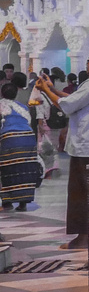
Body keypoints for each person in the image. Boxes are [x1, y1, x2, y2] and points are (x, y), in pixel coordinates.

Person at [32, 48, 89, 250]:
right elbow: (76, 100)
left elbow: (65, 106)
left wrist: (45, 90)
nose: (86, 64)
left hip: (87, 147)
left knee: (82, 192)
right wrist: (52, 89)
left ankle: (83, 237)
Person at [0, 82, 41, 210]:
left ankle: (7, 202)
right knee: (25, 170)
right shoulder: (22, 107)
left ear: (1, 93)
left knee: (7, 170)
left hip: (9, 139)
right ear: (16, 94)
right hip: (28, 138)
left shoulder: (1, 106)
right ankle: (23, 203)